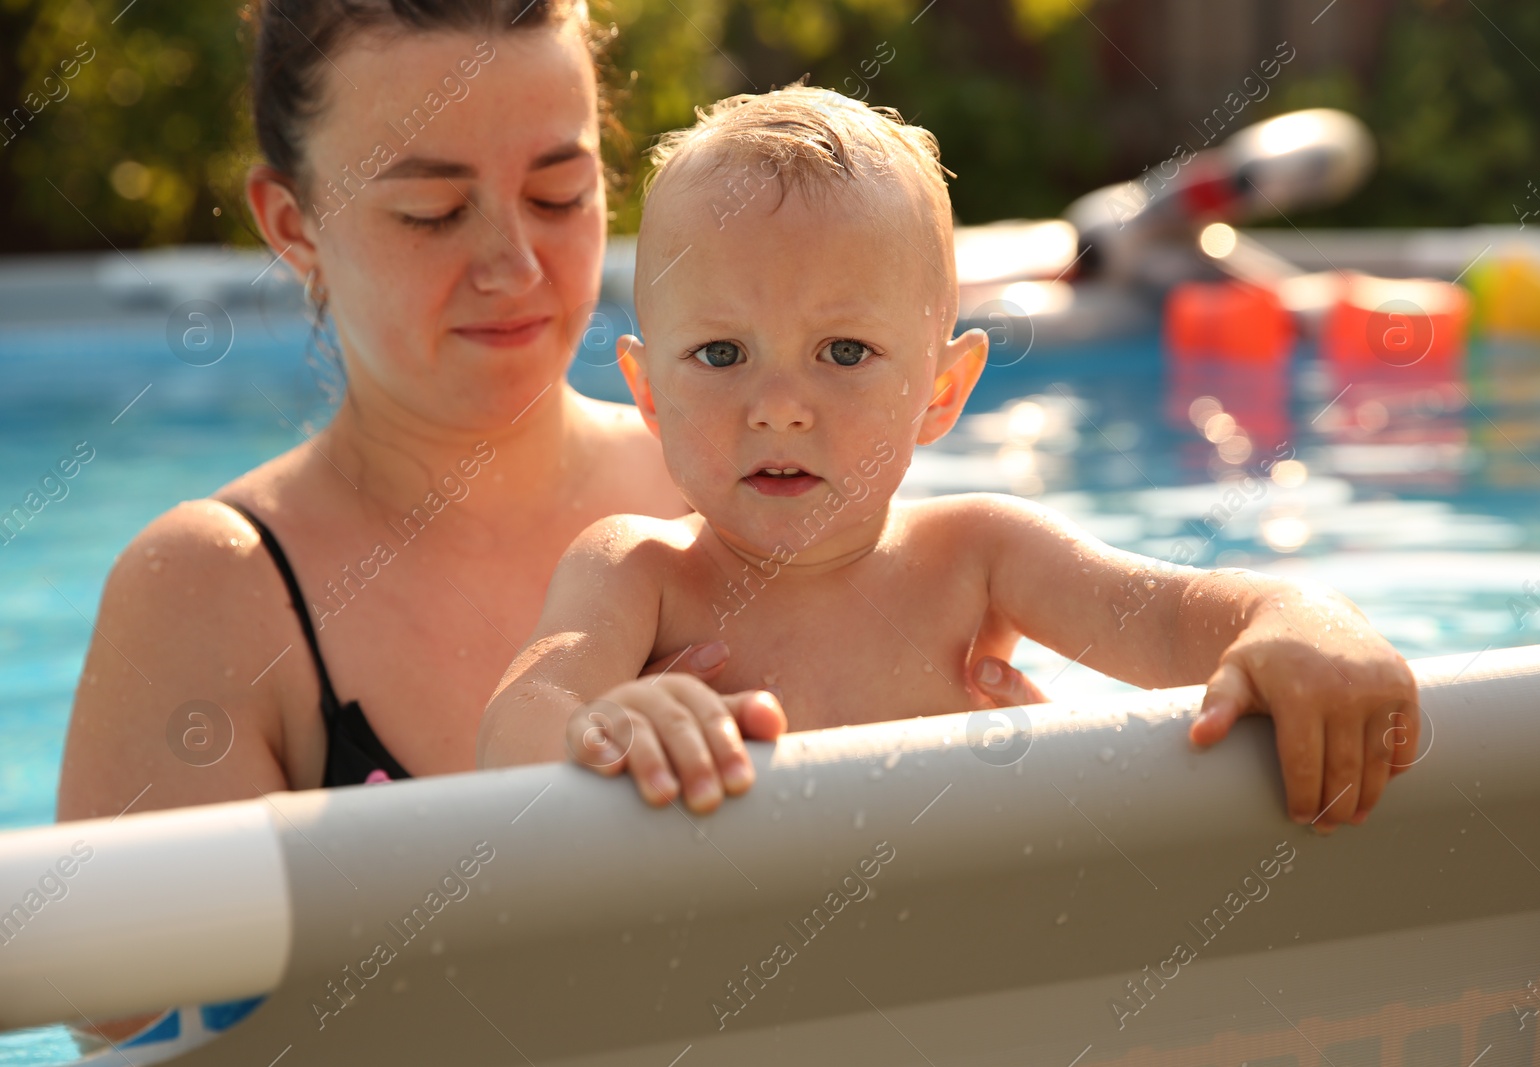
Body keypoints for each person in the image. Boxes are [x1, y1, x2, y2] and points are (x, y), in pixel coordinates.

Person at [53, 2, 1037, 1051]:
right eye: (432, 211)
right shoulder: (213, 593)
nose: (514, 265)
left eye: (559, 193)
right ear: (294, 225)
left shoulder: (772, 488)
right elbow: (148, 1033)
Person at [478, 87, 1421, 832]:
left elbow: (1172, 624)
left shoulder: (979, 556)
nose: (778, 408)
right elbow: (523, 714)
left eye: (845, 353)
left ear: (942, 391)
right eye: (720, 354)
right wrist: (598, 729)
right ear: (647, 392)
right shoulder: (639, 572)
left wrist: (1300, 616)